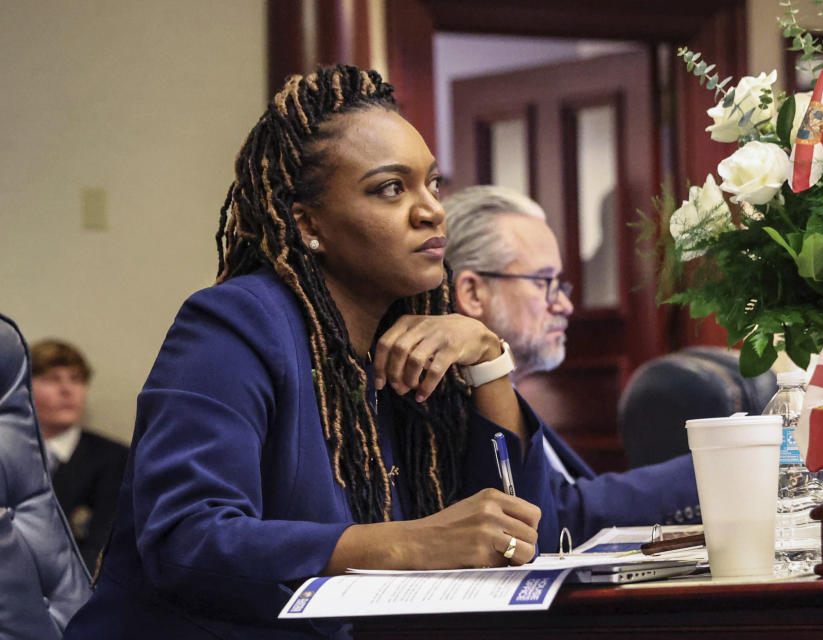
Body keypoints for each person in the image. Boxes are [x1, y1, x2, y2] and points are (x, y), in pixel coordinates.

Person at [63, 65, 558, 639]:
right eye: (390, 188)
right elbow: (187, 540)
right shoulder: (234, 324)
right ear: (307, 223)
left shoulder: (419, 345)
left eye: (432, 183)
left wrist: (489, 361)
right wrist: (412, 542)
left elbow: (523, 535)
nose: (431, 210)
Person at [443, 185, 700, 545]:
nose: (565, 305)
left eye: (560, 284)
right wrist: (712, 470)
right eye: (544, 282)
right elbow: (553, 522)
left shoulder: (509, 394)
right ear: (472, 293)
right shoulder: (445, 402)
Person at [30, 339, 128, 573]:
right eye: (52, 379)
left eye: (76, 379)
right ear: (24, 388)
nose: (67, 390)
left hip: (75, 590)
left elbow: (102, 546)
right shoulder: (8, 455)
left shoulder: (115, 459)